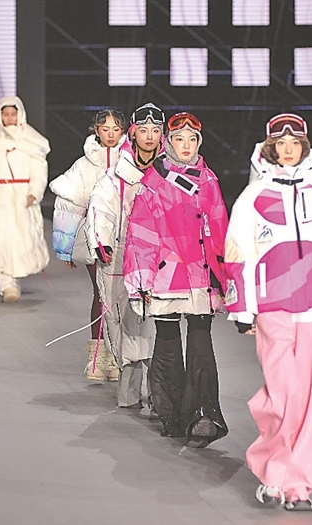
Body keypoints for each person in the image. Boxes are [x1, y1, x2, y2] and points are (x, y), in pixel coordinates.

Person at [224, 113, 312, 511]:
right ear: (270, 147)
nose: (287, 150)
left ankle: (298, 486)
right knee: (284, 394)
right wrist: (242, 309)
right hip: (272, 305)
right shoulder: (253, 197)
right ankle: (272, 471)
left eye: (294, 143)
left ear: (304, 147)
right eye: (280, 144)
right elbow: (238, 253)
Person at [123, 112, 229, 447]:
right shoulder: (154, 182)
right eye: (179, 139)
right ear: (168, 142)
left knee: (201, 342)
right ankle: (171, 414)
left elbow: (220, 229)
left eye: (192, 140)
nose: (186, 146)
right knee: (168, 342)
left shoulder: (208, 180)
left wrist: (226, 276)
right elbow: (141, 234)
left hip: (200, 274)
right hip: (166, 274)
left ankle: (203, 415)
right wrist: (141, 280)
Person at [85, 103, 160, 408]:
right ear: (134, 134)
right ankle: (129, 393)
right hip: (118, 256)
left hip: (158, 261)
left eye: (156, 130)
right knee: (121, 324)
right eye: (144, 130)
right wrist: (100, 240)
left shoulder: (168, 173)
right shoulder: (116, 174)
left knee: (154, 326)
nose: (150, 136)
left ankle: (159, 397)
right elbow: (99, 208)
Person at [50, 109, 126, 381]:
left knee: (123, 299)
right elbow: (68, 205)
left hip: (127, 239)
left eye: (116, 128)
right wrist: (65, 247)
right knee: (102, 294)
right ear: (96, 130)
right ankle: (97, 357)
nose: (110, 134)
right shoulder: (83, 166)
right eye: (105, 129)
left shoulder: (131, 161)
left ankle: (118, 357)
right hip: (95, 240)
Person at [0, 96, 50, 303]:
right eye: (5, 114)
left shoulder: (31, 140)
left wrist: (35, 191)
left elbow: (39, 170)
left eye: (12, 114)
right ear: (0, 116)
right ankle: (6, 283)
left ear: (20, 114)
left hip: (22, 197)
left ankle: (13, 280)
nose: (9, 118)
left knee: (20, 240)